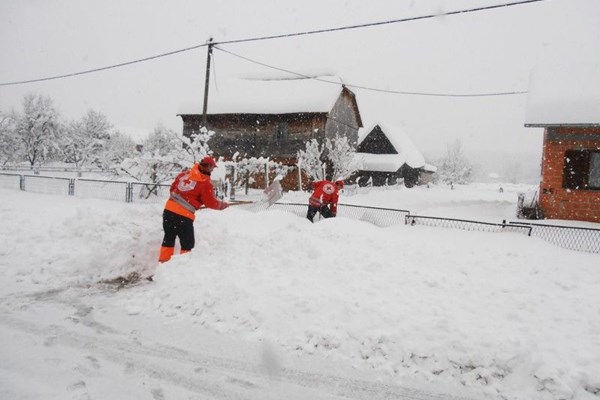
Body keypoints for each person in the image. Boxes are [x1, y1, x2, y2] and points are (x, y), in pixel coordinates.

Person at [158, 156, 229, 263]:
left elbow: (172, 188)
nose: (213, 170)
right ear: (208, 167)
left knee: (168, 238)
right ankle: (183, 267)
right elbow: (211, 203)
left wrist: (189, 202)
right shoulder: (205, 183)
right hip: (183, 216)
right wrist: (222, 205)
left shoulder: (184, 174)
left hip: (168, 211)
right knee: (187, 243)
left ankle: (163, 264)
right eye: (212, 168)